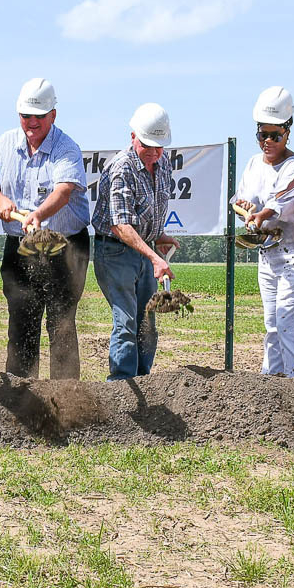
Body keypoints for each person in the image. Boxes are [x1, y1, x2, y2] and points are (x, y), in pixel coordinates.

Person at [0, 78, 90, 380]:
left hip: (65, 247)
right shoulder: (5, 143)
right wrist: (0, 200)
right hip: (20, 246)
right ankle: (22, 394)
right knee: (21, 322)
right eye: (26, 116)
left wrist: (38, 214)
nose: (32, 122)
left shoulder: (66, 148)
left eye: (39, 116)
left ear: (53, 115)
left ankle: (65, 398)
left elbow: (64, 191)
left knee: (61, 323)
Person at [235, 86, 294, 377]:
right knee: (272, 324)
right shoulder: (252, 164)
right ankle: (271, 388)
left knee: (290, 322)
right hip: (269, 254)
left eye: (276, 136)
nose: (268, 142)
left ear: (288, 132)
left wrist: (260, 215)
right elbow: (241, 201)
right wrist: (246, 208)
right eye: (263, 135)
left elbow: (281, 201)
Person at [92, 103, 179, 380]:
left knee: (147, 321)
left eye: (158, 147)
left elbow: (153, 207)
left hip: (144, 250)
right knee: (127, 321)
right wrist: (154, 257)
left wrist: (159, 235)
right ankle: (121, 386)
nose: (153, 153)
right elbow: (120, 225)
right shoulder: (121, 168)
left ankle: (143, 380)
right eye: (147, 146)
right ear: (133, 137)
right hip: (116, 252)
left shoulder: (163, 163)